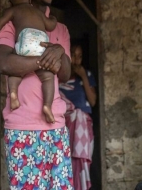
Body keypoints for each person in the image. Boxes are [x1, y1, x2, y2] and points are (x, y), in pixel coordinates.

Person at [0, 0, 74, 189]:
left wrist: (58, 50)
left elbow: (65, 73)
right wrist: (45, 62)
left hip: (54, 125)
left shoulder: (60, 29)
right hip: (21, 125)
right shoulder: (12, 24)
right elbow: (4, 63)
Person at [0, 0, 57, 123]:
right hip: (41, 44)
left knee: (16, 70)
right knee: (48, 77)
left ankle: (13, 93)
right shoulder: (38, 12)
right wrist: (53, 19)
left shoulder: (13, 11)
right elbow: (50, 26)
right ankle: (47, 106)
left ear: (10, 1)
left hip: (25, 42)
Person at [59, 44, 96, 190]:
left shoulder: (87, 76)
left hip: (83, 130)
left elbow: (92, 101)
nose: (76, 60)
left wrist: (83, 77)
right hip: (64, 128)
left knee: (81, 163)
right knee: (63, 162)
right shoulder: (58, 77)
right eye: (73, 55)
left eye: (79, 56)